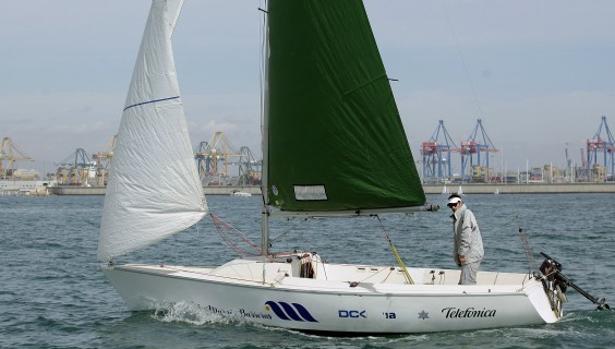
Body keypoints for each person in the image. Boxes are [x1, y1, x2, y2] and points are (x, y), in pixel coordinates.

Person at [447, 193, 483, 285]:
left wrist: (462, 254)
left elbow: (466, 236)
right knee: (462, 283)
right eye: (450, 205)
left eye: (453, 204)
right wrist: (457, 257)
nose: (452, 207)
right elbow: (457, 240)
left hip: (471, 256)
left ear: (459, 203)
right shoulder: (457, 217)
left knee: (467, 285)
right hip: (467, 256)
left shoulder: (466, 214)